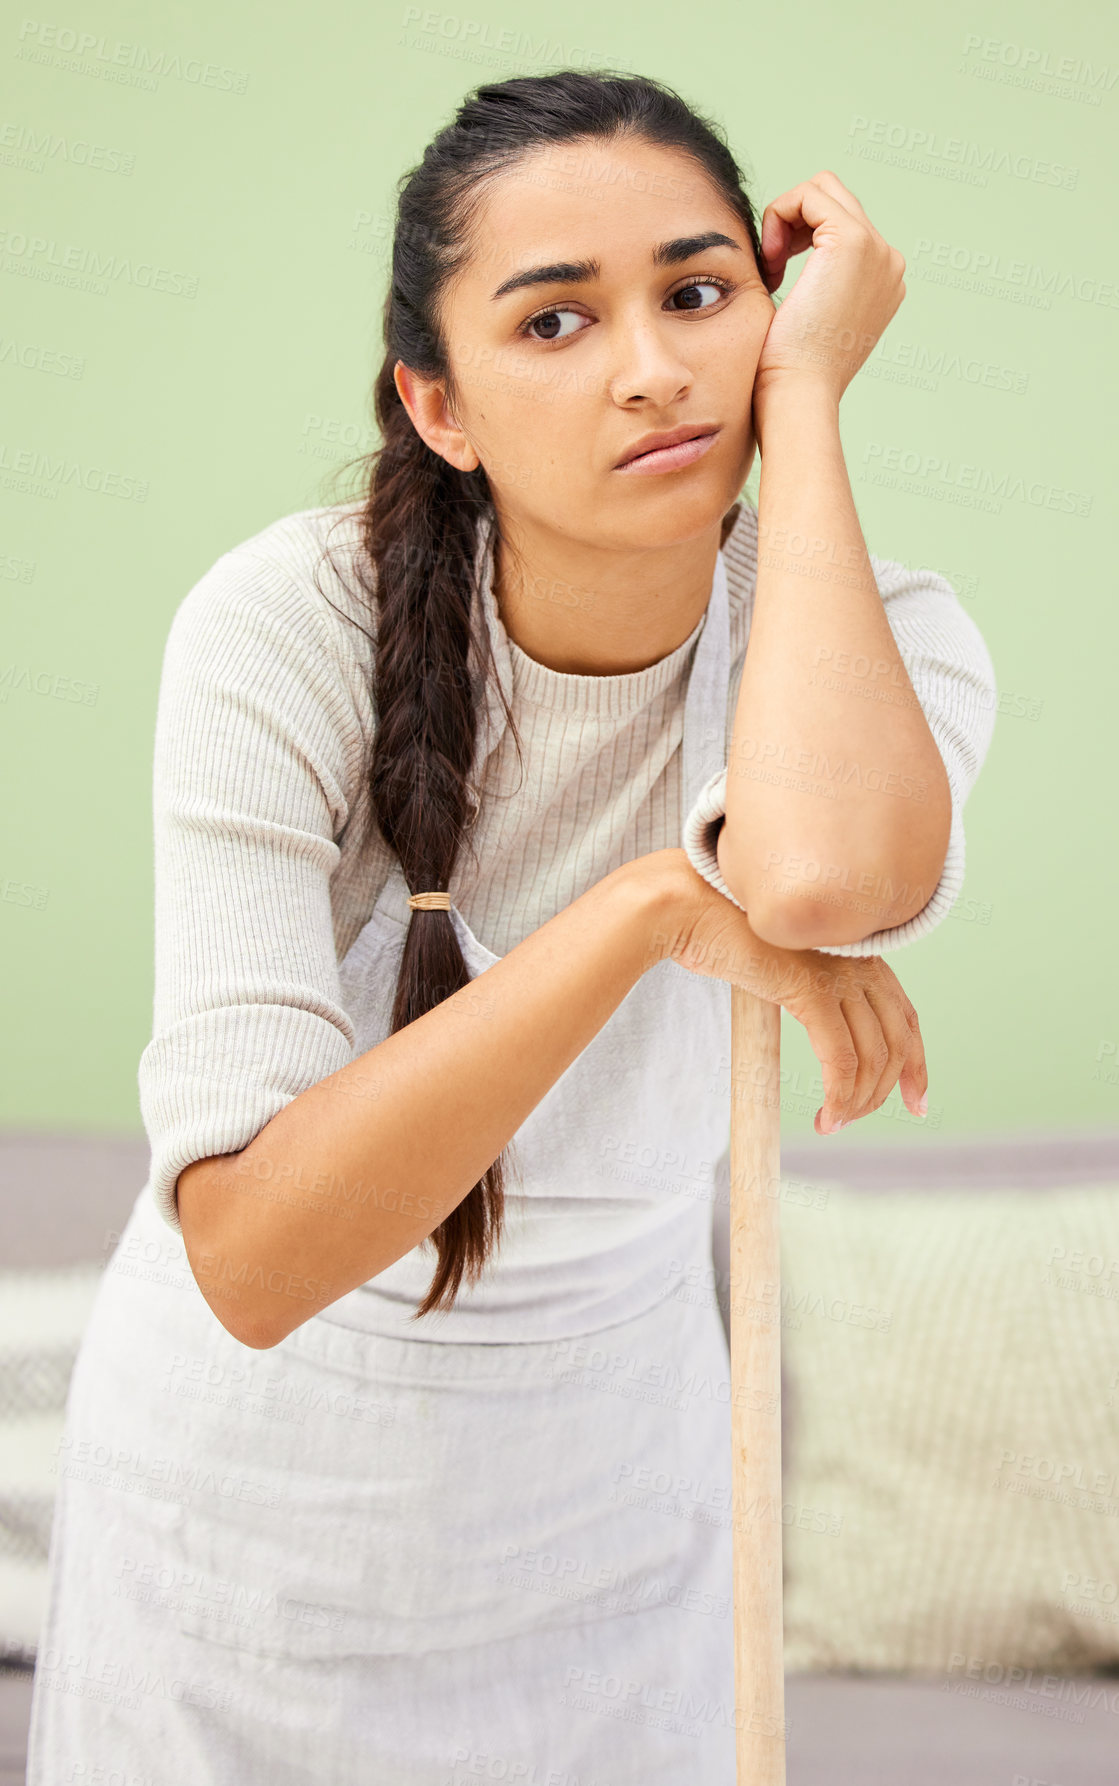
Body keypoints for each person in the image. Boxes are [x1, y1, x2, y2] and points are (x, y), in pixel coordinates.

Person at [26, 68, 997, 1784]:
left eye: (702, 295)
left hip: (617, 1531)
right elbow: (254, 1256)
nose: (651, 367)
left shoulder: (878, 639)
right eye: (555, 322)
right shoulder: (285, 629)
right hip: (252, 1539)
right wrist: (643, 912)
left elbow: (826, 881)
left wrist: (818, 405)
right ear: (440, 403)